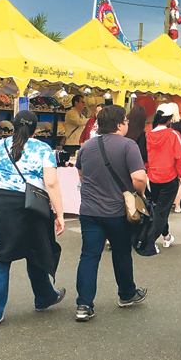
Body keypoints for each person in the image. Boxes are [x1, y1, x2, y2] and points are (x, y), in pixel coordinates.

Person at [0, 110, 66, 325]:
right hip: (31, 206)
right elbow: (51, 183)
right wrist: (60, 213)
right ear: (35, 129)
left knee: (1, 257)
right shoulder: (42, 149)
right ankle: (44, 297)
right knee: (36, 250)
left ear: (13, 125)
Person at [74, 104, 149, 320]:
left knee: (89, 255)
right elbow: (139, 178)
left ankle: (84, 304)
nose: (127, 123)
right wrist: (138, 195)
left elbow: (80, 173)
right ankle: (126, 293)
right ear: (119, 124)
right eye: (125, 120)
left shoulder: (87, 146)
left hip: (89, 210)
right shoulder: (128, 146)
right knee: (122, 253)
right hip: (118, 211)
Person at [141, 102, 181, 252]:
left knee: (158, 209)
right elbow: (180, 157)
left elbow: (146, 157)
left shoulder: (148, 135)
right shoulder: (173, 135)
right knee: (162, 211)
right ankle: (149, 242)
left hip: (152, 177)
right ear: (170, 119)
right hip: (169, 177)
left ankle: (166, 236)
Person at [60, 94, 88, 159]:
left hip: (79, 143)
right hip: (71, 143)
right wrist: (91, 119)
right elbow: (79, 122)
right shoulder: (70, 113)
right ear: (76, 102)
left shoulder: (82, 116)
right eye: (82, 102)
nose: (84, 104)